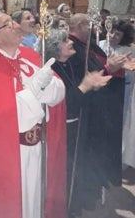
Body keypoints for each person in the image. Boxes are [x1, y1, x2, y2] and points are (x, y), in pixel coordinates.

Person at [0, 10, 66, 218]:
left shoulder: (31, 55)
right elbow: (0, 114)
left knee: (36, 203)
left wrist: (50, 86)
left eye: (13, 22)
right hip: (12, 153)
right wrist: (35, 89)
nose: (16, 26)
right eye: (8, 24)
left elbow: (59, 93)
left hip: (39, 147)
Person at [42, 29, 112, 217]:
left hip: (79, 126)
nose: (70, 42)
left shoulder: (71, 64)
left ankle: (74, 207)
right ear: (56, 49)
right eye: (65, 40)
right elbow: (66, 103)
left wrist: (93, 84)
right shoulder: (51, 72)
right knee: (65, 173)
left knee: (77, 170)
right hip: (62, 129)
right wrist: (85, 86)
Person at [66, 13, 128, 210]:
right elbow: (88, 77)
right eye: (87, 24)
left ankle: (92, 191)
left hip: (97, 110)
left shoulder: (87, 44)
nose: (92, 28)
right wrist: (109, 68)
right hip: (84, 113)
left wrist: (111, 67)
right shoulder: (74, 48)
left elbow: (98, 69)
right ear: (78, 25)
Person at [98, 19, 135, 172]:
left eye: (117, 34)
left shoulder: (129, 49)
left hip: (123, 90)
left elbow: (130, 71)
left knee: (121, 123)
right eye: (111, 32)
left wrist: (124, 68)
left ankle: (120, 160)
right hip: (103, 89)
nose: (112, 36)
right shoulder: (100, 45)